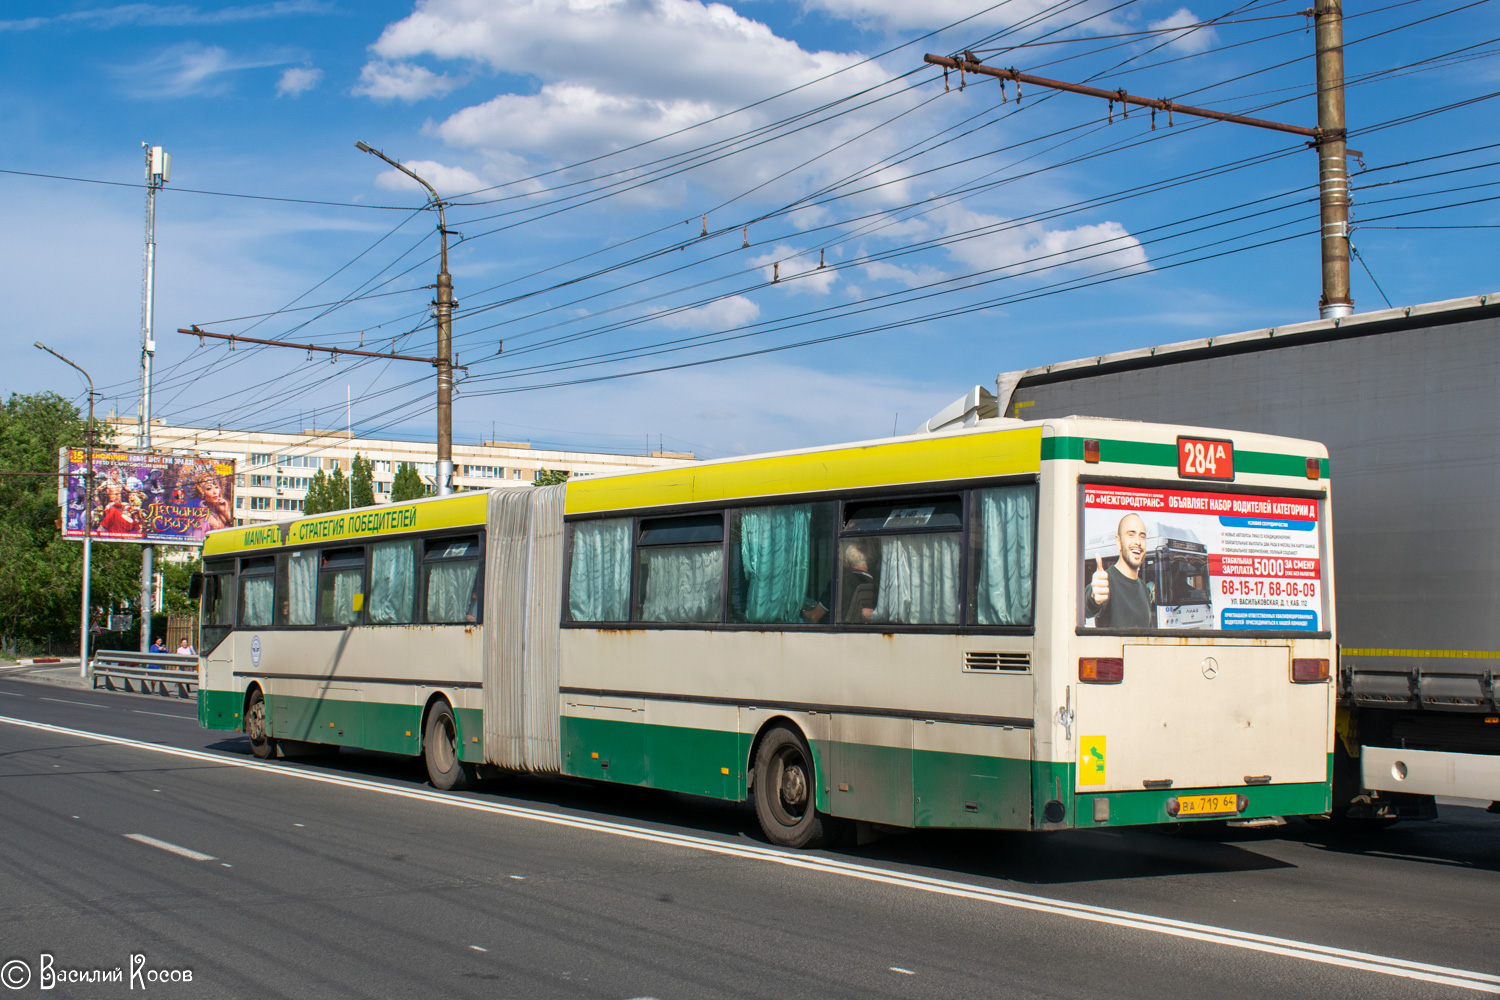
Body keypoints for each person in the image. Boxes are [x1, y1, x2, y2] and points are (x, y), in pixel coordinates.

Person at [1085, 513, 1155, 628]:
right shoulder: (1106, 581)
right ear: (1118, 541)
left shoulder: (1144, 588)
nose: (1138, 542)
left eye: (1142, 536)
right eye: (1131, 535)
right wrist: (1093, 597)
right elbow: (1086, 607)